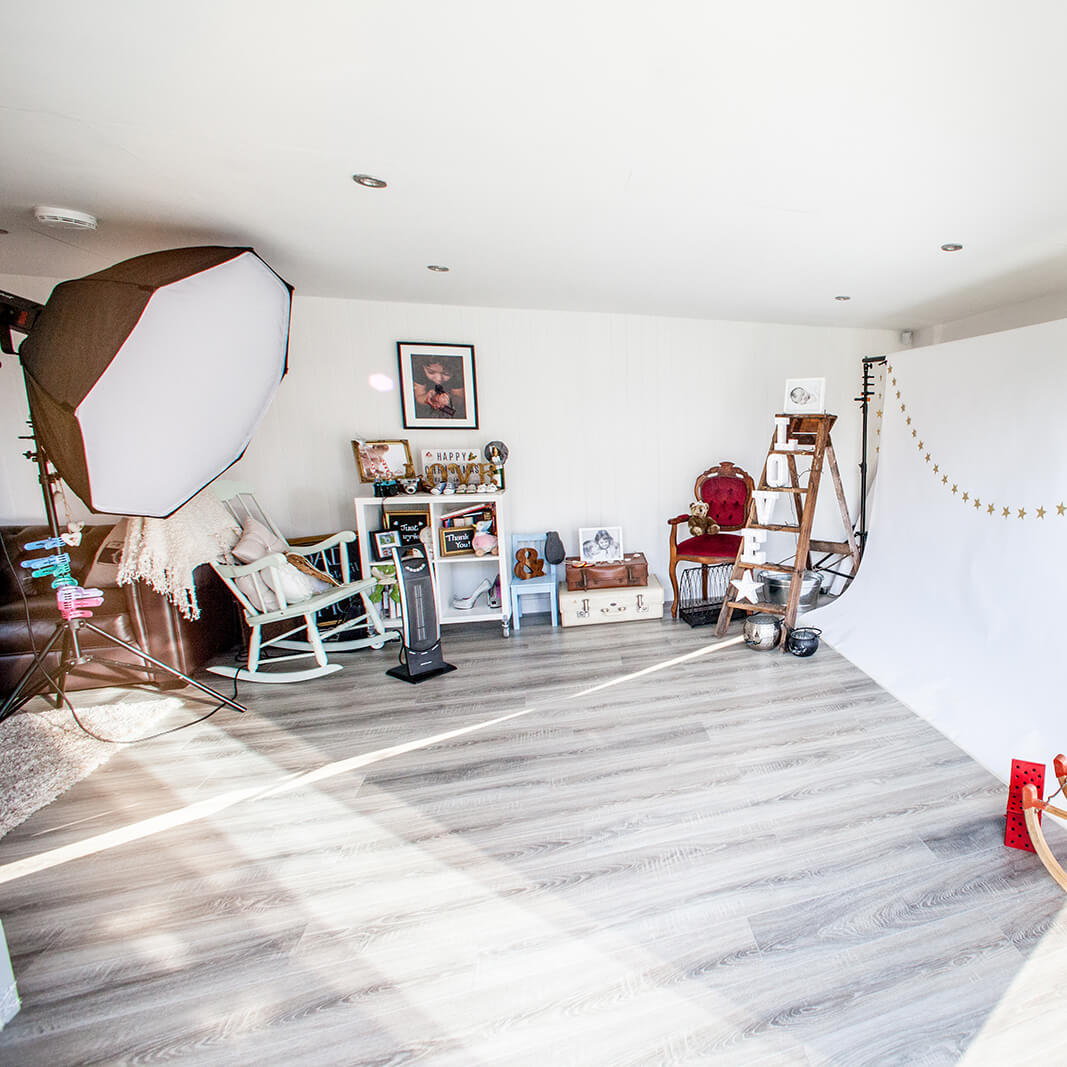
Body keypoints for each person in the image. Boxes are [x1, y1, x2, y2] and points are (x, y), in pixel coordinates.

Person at [412, 355, 466, 419]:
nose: (438, 379)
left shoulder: (458, 376)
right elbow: (418, 397)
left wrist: (450, 399)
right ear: (423, 367)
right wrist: (427, 397)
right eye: (431, 372)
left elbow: (460, 399)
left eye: (446, 373)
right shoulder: (419, 372)